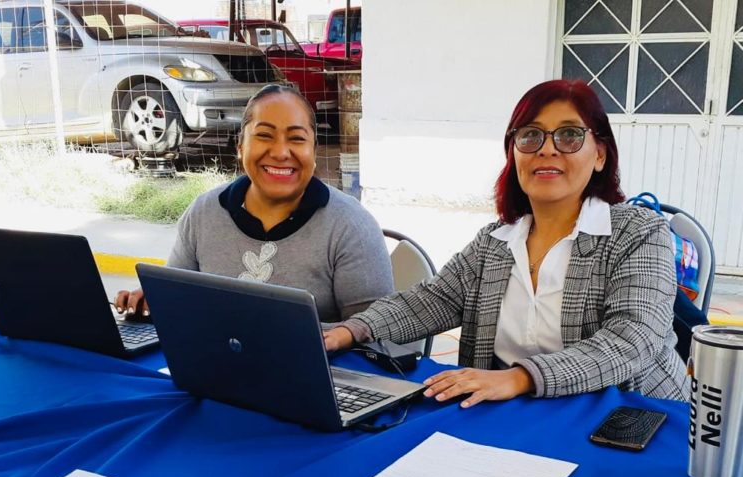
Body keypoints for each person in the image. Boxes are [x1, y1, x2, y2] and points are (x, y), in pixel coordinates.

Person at [325, 79, 688, 405]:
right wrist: (352, 329)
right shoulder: (495, 242)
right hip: (517, 420)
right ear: (513, 153)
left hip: (632, 422)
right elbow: (428, 301)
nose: (547, 149)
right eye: (530, 136)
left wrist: (520, 377)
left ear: (600, 154)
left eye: (569, 135)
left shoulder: (639, 233)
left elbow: (630, 341)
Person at [115, 84, 393, 322]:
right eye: (264, 135)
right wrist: (151, 302)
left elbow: (375, 336)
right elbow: (176, 297)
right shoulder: (204, 213)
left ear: (314, 152)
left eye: (297, 138)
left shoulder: (351, 227)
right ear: (240, 147)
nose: (281, 152)